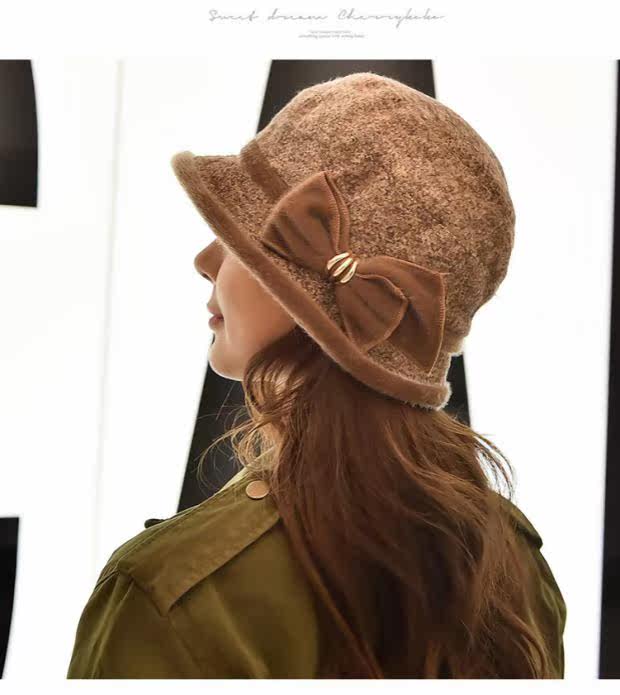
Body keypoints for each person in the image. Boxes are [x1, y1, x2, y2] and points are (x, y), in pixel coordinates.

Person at [66, 72, 567, 678]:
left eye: (241, 238)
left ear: (314, 294)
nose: (205, 260)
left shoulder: (167, 593)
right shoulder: (515, 563)